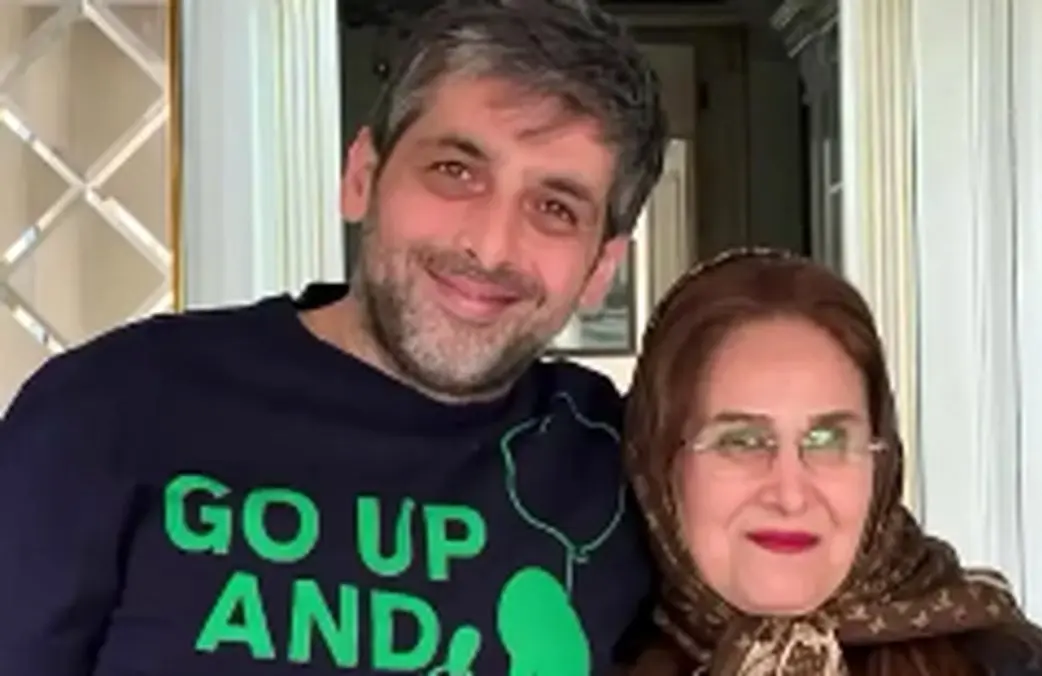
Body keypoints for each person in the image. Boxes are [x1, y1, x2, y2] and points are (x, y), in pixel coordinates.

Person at [0, 1, 666, 674]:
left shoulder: (633, 470)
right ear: (361, 178)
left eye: (555, 208)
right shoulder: (109, 409)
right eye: (455, 171)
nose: (491, 247)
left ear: (600, 268)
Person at [620, 249, 1042, 675]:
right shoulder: (598, 650)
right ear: (661, 464)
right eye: (742, 441)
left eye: (827, 440)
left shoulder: (994, 664)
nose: (790, 495)